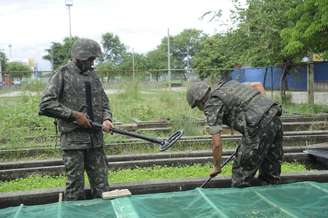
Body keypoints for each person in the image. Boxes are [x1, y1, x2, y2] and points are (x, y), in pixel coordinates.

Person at [39, 38, 113, 200]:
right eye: (91, 59)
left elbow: (104, 102)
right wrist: (74, 115)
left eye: (94, 59)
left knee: (102, 186)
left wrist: (107, 118)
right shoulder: (62, 74)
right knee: (75, 187)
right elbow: (46, 104)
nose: (93, 62)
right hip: (74, 142)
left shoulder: (93, 76)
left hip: (96, 141)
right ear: (81, 57)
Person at [186, 79, 283, 187]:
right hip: (275, 117)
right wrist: (262, 110)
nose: (200, 109)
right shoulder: (229, 84)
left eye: (198, 106)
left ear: (200, 102)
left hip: (258, 128)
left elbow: (216, 144)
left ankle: (242, 203)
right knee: (271, 176)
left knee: (240, 178)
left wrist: (217, 166)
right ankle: (270, 202)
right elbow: (257, 85)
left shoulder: (211, 105)